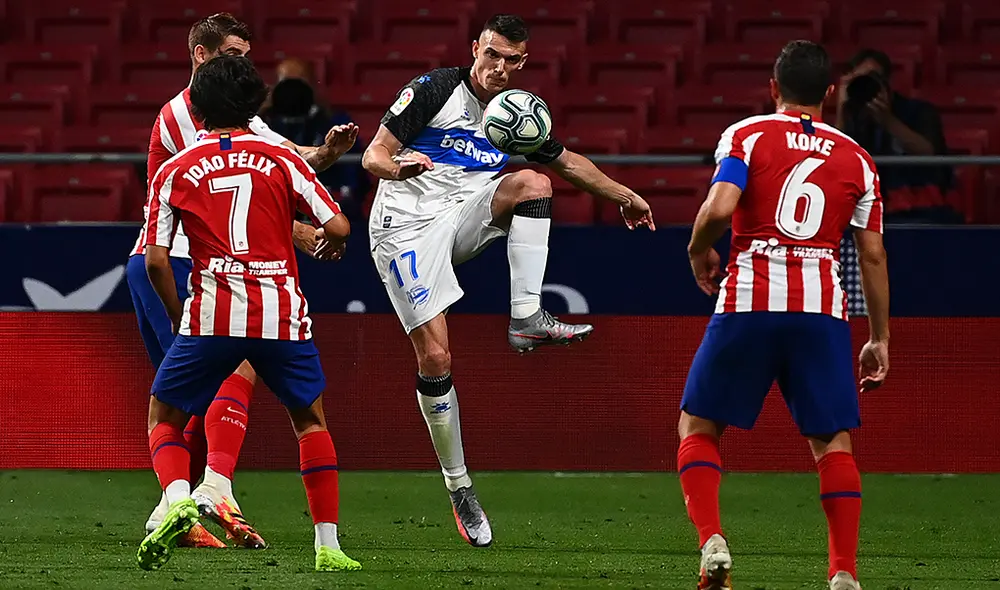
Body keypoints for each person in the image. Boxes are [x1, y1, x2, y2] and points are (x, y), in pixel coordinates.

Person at [361, 14, 655, 547]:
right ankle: (459, 486)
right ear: (475, 47)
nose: (499, 68)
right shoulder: (434, 88)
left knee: (534, 181)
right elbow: (373, 154)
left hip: (463, 213)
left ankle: (526, 318)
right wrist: (399, 169)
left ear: (524, 62)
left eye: (512, 60)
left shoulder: (515, 114)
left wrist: (622, 194)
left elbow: (567, 163)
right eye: (491, 54)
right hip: (403, 226)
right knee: (437, 360)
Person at [125, 12, 358, 549]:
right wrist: (301, 235)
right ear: (200, 56)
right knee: (200, 388)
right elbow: (243, 183)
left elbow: (281, 157)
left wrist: (324, 154)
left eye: (245, 55)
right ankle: (209, 491)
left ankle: (180, 507)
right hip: (176, 257)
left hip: (206, 262)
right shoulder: (186, 112)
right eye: (231, 54)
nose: (242, 64)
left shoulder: (232, 110)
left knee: (201, 387)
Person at [679, 41, 890, 590]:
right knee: (833, 443)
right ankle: (843, 572)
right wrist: (880, 338)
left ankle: (712, 543)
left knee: (699, 427)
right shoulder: (859, 160)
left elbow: (722, 207)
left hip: (750, 294)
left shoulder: (747, 135)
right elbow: (871, 254)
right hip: (821, 308)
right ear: (828, 93)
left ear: (773, 88)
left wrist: (698, 247)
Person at [835, 48, 956, 222]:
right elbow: (835, 158)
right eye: (861, 78)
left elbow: (928, 152)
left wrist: (888, 121)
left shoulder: (919, 110)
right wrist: (842, 108)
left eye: (873, 77)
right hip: (867, 210)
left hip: (917, 210)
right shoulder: (855, 116)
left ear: (887, 81)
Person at [259, 58, 371, 223]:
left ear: (311, 84)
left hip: (325, 199)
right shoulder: (263, 122)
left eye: (298, 83)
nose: (292, 91)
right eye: (285, 82)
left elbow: (355, 181)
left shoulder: (333, 120)